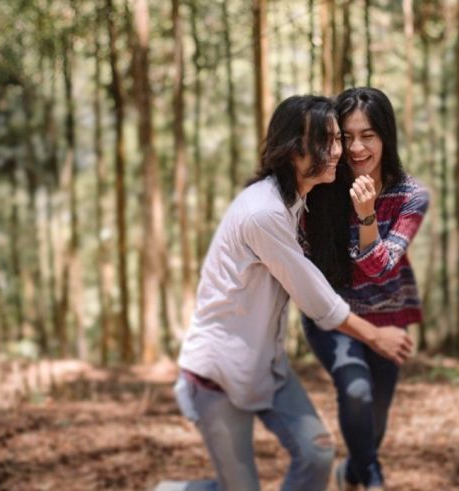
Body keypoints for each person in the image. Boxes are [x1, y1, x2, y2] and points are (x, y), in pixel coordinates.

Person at [173, 94, 413, 491]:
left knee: (317, 455)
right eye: (326, 141)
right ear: (291, 149)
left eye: (336, 139)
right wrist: (375, 336)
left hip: (267, 367)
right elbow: (314, 296)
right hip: (218, 374)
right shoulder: (263, 212)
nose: (337, 151)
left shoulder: (296, 201)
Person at [302, 87, 430, 491]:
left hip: (388, 316)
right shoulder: (320, 188)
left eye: (368, 135)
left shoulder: (411, 197)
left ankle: (352, 473)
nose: (357, 147)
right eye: (346, 136)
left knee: (375, 419)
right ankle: (372, 479)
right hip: (333, 315)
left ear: (385, 136)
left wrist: (367, 215)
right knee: (355, 390)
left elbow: (379, 268)